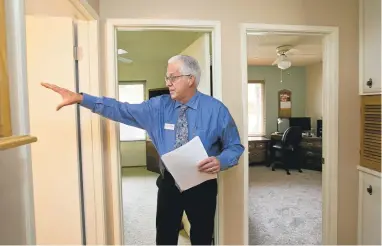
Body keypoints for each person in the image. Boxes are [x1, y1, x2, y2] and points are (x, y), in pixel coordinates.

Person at [41, 55, 244, 245]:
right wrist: (81, 99)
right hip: (169, 185)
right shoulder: (157, 108)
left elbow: (234, 146)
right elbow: (121, 109)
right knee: (165, 237)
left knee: (202, 237)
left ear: (191, 79)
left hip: (202, 185)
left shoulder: (216, 110)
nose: (167, 83)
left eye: (173, 77)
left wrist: (221, 161)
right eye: (167, 77)